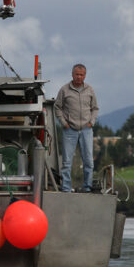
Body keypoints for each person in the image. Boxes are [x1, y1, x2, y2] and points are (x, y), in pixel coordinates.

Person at [54, 64, 99, 192]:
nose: (79, 77)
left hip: (86, 129)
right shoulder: (64, 90)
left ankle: (87, 187)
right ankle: (66, 188)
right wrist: (64, 123)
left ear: (85, 75)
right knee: (67, 162)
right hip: (69, 130)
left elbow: (95, 108)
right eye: (77, 74)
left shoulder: (90, 89)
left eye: (82, 74)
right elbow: (57, 107)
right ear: (72, 74)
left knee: (88, 161)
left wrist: (92, 122)